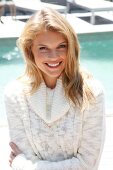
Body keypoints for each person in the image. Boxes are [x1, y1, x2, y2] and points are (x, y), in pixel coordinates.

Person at [4, 7, 105, 170]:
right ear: (30, 50)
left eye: (61, 46)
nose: (53, 56)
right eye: (43, 48)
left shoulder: (92, 92)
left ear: (71, 47)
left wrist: (22, 164)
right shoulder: (14, 94)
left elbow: (87, 165)